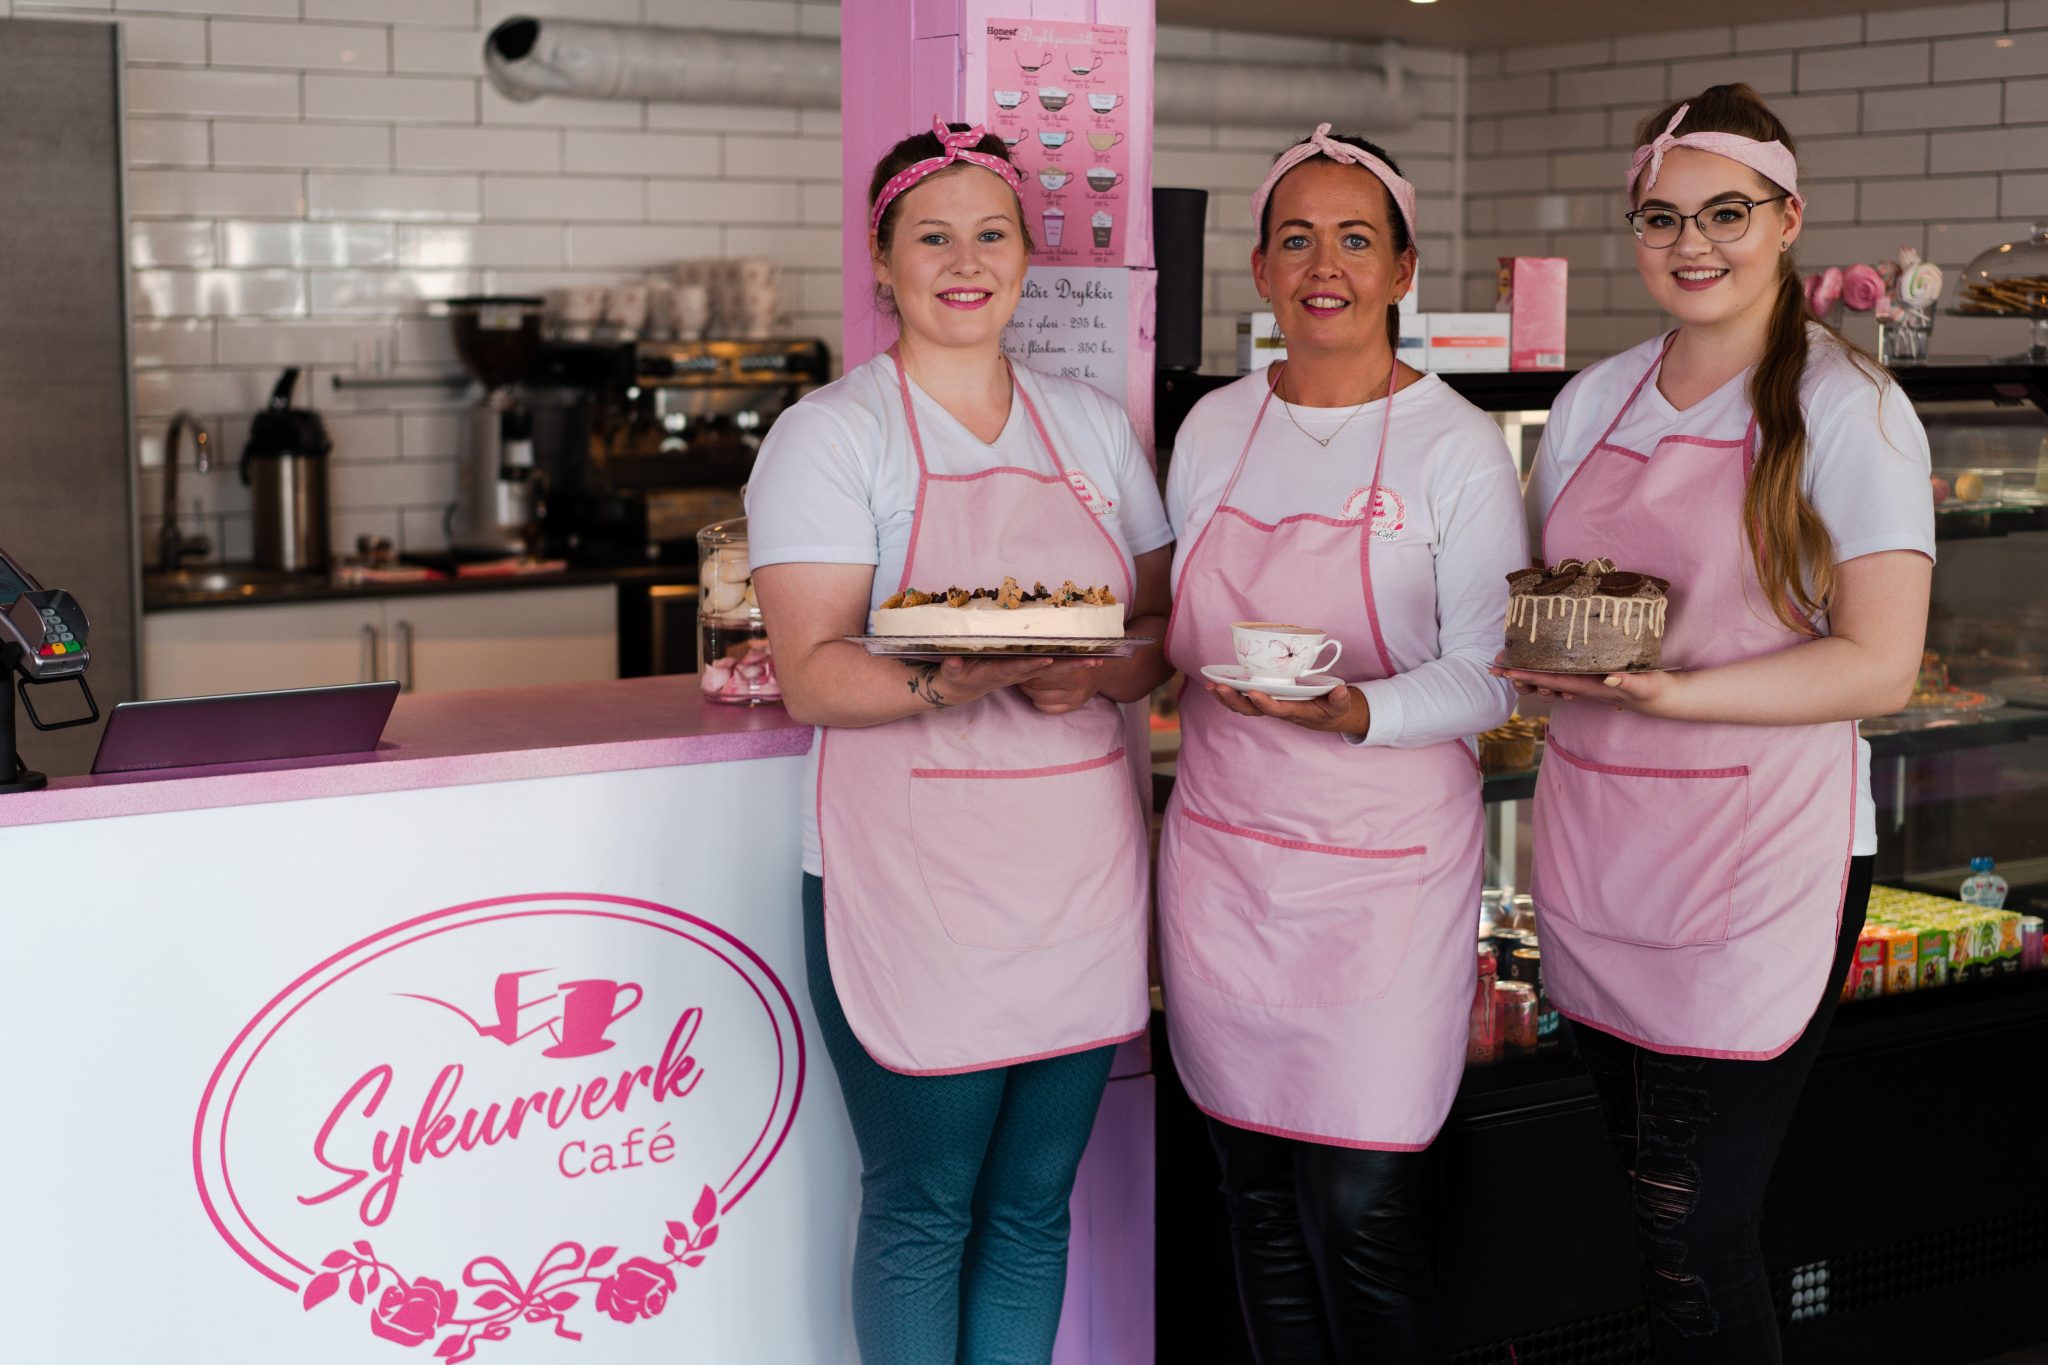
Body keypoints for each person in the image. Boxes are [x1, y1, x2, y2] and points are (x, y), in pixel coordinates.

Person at [1499, 85, 1933, 1364]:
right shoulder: (1592, 402)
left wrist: (1672, 693)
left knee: (1693, 1227)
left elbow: (1879, 667)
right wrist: (1532, 668)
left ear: (1787, 219)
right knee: (1641, 1211)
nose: (1691, 244)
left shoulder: (1847, 413)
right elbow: (1545, 602)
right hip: (1599, 844)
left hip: (1756, 862)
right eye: (1660, 218)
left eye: (1725, 213)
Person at [744, 118, 1173, 1364]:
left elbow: (1153, 630)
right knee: (925, 1208)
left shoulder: (1090, 427)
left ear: (1027, 259)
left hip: (1077, 868)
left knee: (1033, 1209)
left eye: (991, 233)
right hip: (911, 878)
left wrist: (1090, 675)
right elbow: (818, 675)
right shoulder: (831, 435)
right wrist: (951, 682)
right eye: (931, 236)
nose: (963, 260)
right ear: (881, 261)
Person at [1157, 124, 1527, 1363]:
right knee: (1253, 1198)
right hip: (1221, 862)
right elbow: (1170, 630)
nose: (1326, 265)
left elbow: (1490, 675)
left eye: (1355, 239)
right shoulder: (1210, 427)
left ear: (1402, 269)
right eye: (1297, 238)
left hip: (1378, 881)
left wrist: (1355, 710)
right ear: (1258, 270)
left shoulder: (1456, 447)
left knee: (1360, 1213)